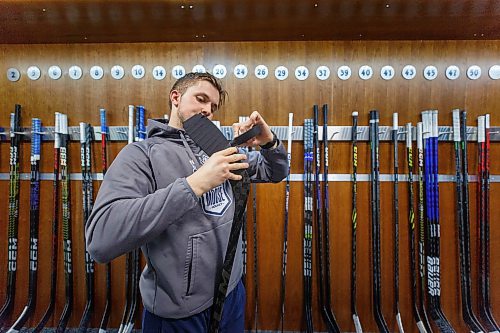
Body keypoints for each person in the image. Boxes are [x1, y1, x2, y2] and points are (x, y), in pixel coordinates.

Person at [86, 72, 288, 332]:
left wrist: (269, 143)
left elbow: (275, 172)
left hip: (231, 291)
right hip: (178, 312)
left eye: (213, 107)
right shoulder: (141, 154)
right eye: (201, 99)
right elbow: (101, 239)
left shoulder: (217, 147)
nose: (207, 111)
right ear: (176, 97)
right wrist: (196, 184)